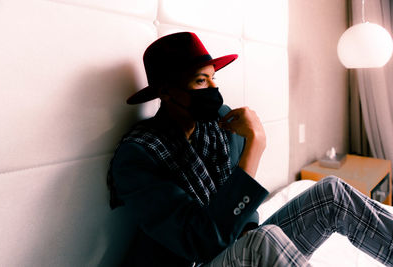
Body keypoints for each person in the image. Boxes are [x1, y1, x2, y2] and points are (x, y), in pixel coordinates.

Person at [107, 32, 393, 267]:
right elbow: (200, 242)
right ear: (167, 92)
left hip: (237, 243)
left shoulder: (218, 124)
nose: (213, 90)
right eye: (200, 81)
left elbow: (243, 219)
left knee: (332, 193)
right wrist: (255, 146)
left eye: (213, 78)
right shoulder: (139, 155)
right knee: (263, 240)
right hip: (196, 260)